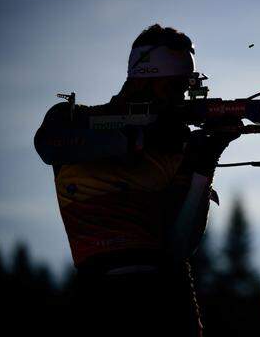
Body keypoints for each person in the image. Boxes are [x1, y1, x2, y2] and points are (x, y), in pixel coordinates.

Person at [34, 24, 238, 334]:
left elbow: (180, 246)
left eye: (183, 88)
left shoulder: (174, 149)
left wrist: (203, 164)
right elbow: (49, 143)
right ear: (144, 81)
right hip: (103, 296)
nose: (178, 98)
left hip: (167, 298)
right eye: (172, 87)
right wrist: (141, 137)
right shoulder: (73, 121)